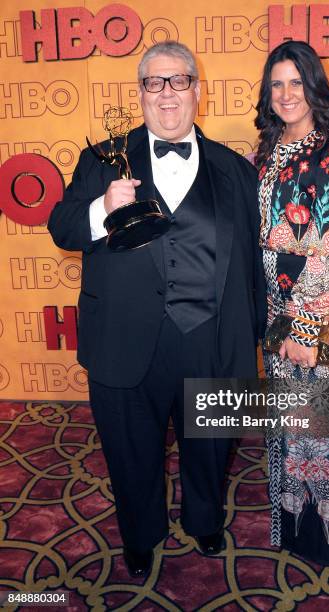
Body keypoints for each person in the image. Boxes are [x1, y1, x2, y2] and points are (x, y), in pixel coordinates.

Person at [48, 41, 266, 578]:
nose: (167, 93)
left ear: (198, 89)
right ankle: (141, 535)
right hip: (125, 339)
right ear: (140, 93)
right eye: (154, 82)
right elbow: (63, 226)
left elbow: (252, 263)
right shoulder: (102, 159)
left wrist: (253, 336)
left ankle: (205, 520)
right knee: (131, 452)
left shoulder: (236, 169)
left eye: (179, 81)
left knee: (210, 447)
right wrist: (104, 207)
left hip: (210, 338)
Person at [254, 40, 329, 567]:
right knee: (290, 428)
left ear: (314, 87)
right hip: (280, 315)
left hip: (321, 318)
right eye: (277, 83)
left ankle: (326, 545)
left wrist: (305, 329)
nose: (285, 93)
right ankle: (292, 531)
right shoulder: (270, 149)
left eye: (296, 82)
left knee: (322, 434)